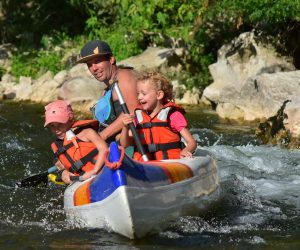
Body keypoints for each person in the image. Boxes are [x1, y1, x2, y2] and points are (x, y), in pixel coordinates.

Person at [119, 70, 197, 161]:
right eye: (138, 94)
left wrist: (186, 151)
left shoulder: (173, 115)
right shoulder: (138, 117)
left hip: (169, 164)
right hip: (145, 164)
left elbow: (192, 142)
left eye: (143, 94)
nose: (139, 97)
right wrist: (125, 127)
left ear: (159, 95)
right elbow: (124, 144)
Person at [77, 39, 139, 143]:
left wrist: (101, 137)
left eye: (97, 61)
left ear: (111, 59)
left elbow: (133, 110)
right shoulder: (107, 90)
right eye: (89, 65)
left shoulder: (124, 76)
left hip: (130, 147)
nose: (94, 68)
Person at [44, 100, 108, 184]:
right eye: (52, 126)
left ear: (70, 120)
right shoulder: (57, 146)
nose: (56, 129)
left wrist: (94, 171)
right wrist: (64, 172)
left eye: (60, 124)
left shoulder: (87, 132)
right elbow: (60, 165)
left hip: (103, 170)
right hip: (81, 180)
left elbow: (104, 149)